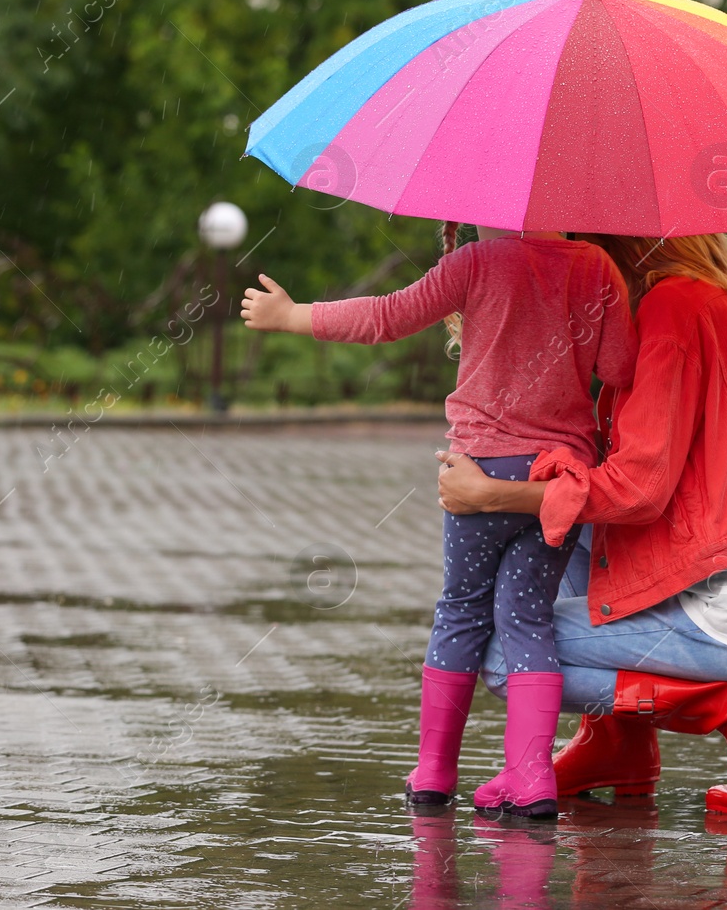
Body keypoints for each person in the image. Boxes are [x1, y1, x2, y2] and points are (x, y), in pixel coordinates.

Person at [240, 222, 636, 818]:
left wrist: (294, 316)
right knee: (527, 619)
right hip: (555, 478)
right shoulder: (595, 269)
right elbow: (621, 366)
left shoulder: (475, 263)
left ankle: (433, 772)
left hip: (479, 471)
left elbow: (388, 316)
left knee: (460, 610)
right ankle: (532, 778)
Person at [435, 233, 727, 815]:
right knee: (566, 537)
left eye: (574, 252)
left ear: (611, 249)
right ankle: (615, 744)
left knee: (505, 653)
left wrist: (495, 494)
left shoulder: (672, 310)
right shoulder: (701, 304)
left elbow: (639, 489)